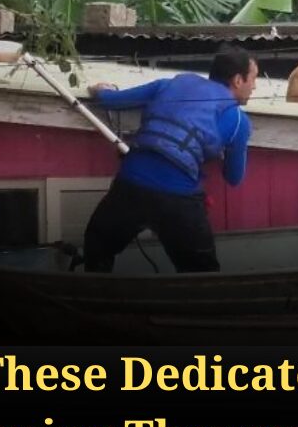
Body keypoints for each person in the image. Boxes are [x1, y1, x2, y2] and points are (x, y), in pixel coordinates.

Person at [82, 44, 258, 274]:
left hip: (132, 185)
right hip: (179, 199)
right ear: (237, 80)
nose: (255, 87)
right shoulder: (237, 120)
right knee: (202, 274)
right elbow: (233, 178)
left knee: (98, 246)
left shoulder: (171, 83)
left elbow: (111, 100)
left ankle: (96, 299)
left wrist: (101, 90)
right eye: (253, 79)